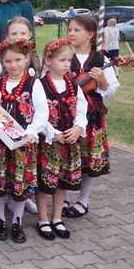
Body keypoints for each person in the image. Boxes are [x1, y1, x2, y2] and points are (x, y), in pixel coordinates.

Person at [0, 39, 48, 243]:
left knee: (20, 184)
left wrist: (32, 131)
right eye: (8, 61)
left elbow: (42, 111)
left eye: (18, 60)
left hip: (24, 145)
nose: (13, 65)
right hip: (0, 144)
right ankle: (0, 219)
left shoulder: (33, 83)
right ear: (2, 62)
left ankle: (17, 221)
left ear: (27, 59)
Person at [63, 15, 119, 218]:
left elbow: (110, 90)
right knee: (66, 157)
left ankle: (83, 200)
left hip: (92, 117)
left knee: (88, 160)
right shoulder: (63, 56)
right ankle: (64, 198)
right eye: (70, 29)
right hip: (67, 116)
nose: (71, 33)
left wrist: (102, 80)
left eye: (76, 30)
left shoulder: (101, 59)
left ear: (90, 34)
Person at [36, 39, 87, 241]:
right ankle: (42, 219)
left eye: (69, 60)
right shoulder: (40, 85)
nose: (67, 64)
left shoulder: (73, 85)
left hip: (69, 141)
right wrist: (51, 131)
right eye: (62, 60)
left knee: (62, 183)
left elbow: (81, 108)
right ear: (48, 61)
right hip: (49, 143)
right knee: (45, 182)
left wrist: (78, 127)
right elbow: (39, 113)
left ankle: (57, 217)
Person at [0, 16, 40, 94]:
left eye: (23, 33)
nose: (18, 37)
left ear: (30, 35)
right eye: (14, 34)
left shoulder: (37, 59)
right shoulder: (0, 60)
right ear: (7, 36)